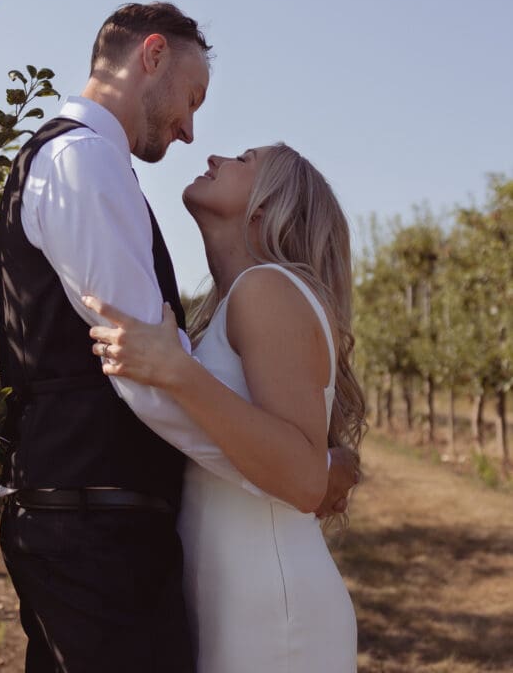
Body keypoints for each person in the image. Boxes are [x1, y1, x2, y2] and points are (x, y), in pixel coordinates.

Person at [0, 2, 359, 673]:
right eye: (192, 99)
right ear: (152, 55)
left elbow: (162, 375)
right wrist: (293, 476)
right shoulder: (85, 163)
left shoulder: (256, 292)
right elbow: (147, 379)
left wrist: (297, 473)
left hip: (212, 573)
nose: (194, 134)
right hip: (98, 528)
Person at [86, 143, 366, 673]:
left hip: (272, 610)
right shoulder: (239, 301)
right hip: (237, 597)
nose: (214, 156)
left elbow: (305, 479)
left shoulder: (267, 289)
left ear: (265, 206)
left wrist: (177, 372)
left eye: (243, 159)